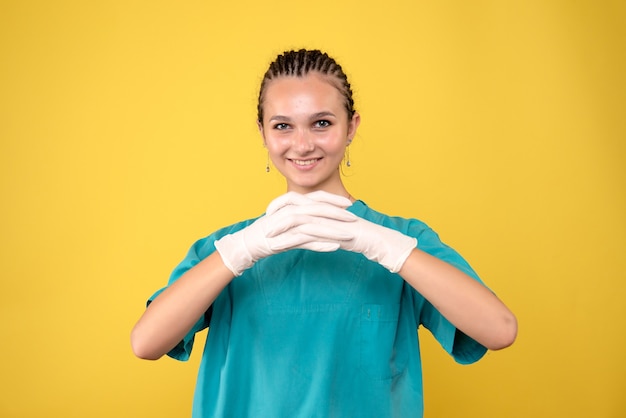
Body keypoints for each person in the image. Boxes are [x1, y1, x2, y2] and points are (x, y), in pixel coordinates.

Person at [131, 49, 517, 417]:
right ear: (262, 133)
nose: (302, 144)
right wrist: (238, 252)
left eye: (322, 123)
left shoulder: (402, 238)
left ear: (351, 127)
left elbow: (499, 329)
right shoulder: (225, 249)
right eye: (282, 126)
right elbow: (145, 343)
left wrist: (388, 248)